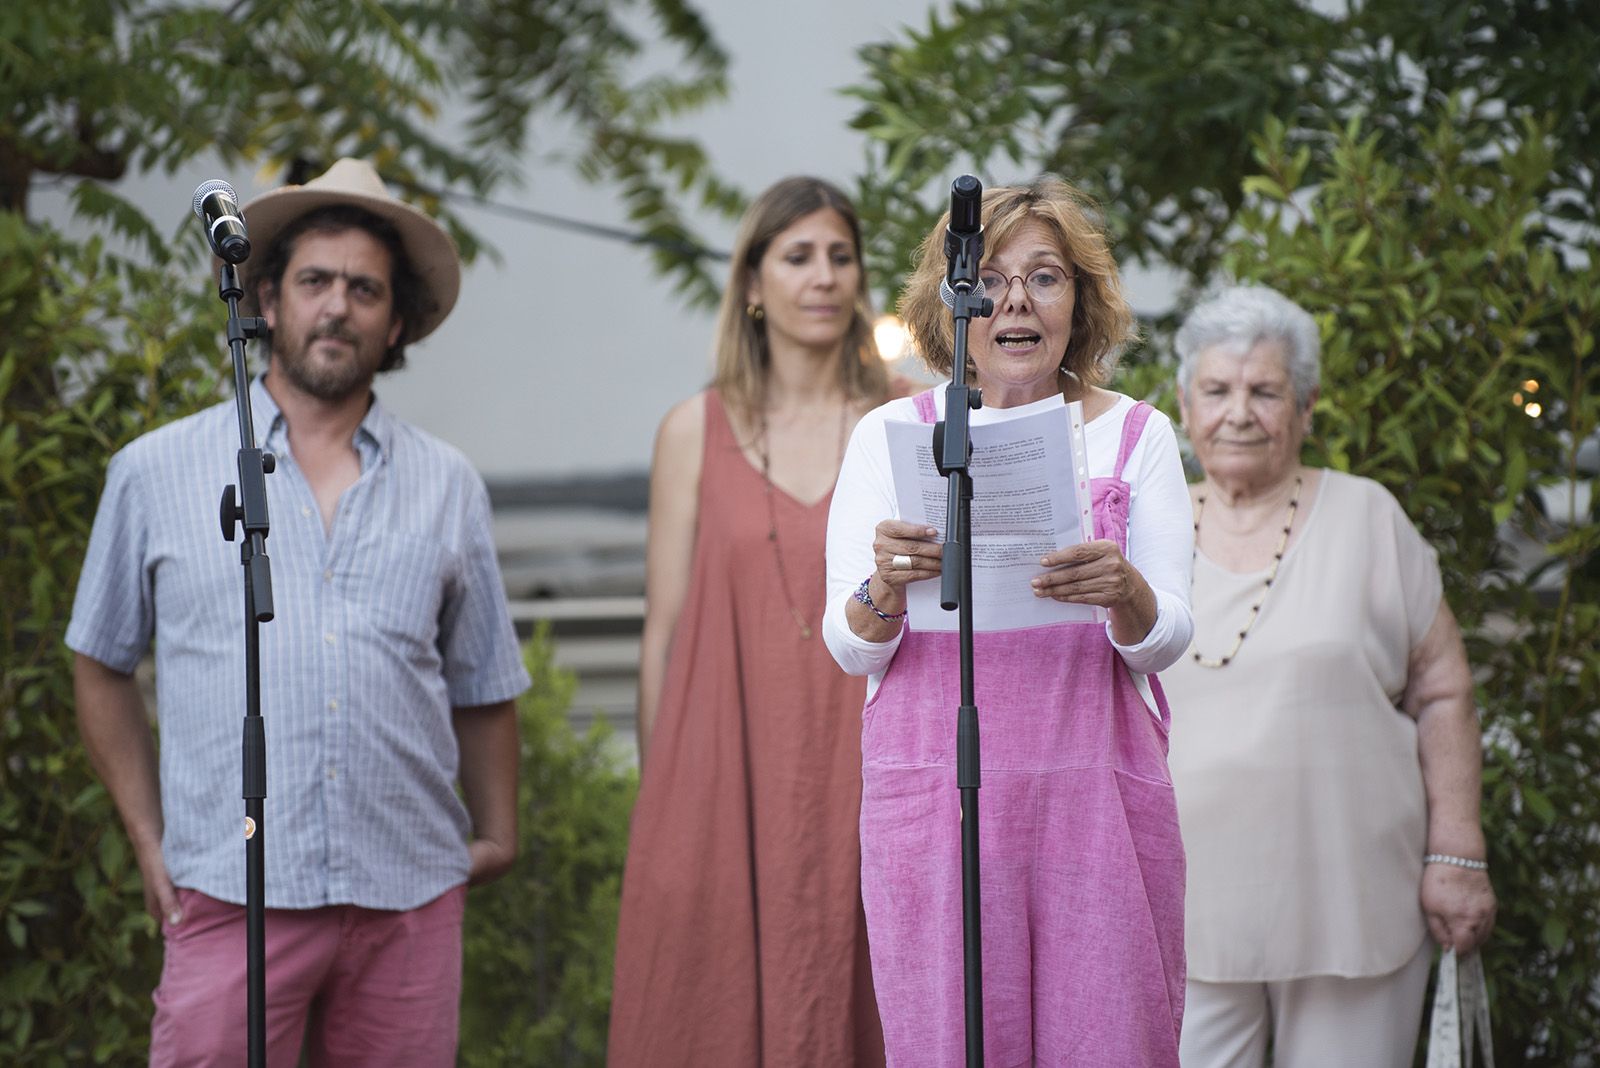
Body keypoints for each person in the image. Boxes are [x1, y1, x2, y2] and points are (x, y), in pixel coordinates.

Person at [66, 158, 530, 1067]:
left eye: (365, 289)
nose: (338, 306)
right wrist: (149, 841)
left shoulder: (448, 486)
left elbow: (483, 682)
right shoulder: (155, 471)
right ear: (268, 302)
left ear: (395, 322)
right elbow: (99, 658)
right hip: (226, 892)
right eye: (315, 281)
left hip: (407, 899)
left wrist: (499, 833)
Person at [824, 176, 1195, 1067]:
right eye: (987, 278)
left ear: (1082, 301)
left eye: (1046, 277)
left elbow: (1170, 636)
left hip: (1091, 800)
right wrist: (886, 581)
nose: (1015, 300)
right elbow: (847, 644)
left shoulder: (1139, 436)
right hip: (939, 804)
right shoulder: (889, 434)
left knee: (1106, 1035)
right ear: (951, 301)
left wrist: (1123, 589)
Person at [1163, 285, 1497, 1067]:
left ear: (1306, 407)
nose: (1238, 411)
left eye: (1264, 391)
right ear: (1184, 406)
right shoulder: (1151, 525)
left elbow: (1443, 688)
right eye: (1216, 390)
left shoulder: (1368, 516)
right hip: (1183, 907)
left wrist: (1457, 854)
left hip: (1352, 897)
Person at [607, 176, 892, 1066]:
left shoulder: (902, 418)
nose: (824, 277)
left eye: (840, 257)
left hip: (868, 754)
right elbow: (665, 627)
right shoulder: (691, 429)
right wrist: (665, 801)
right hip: (722, 763)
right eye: (798, 256)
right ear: (753, 285)